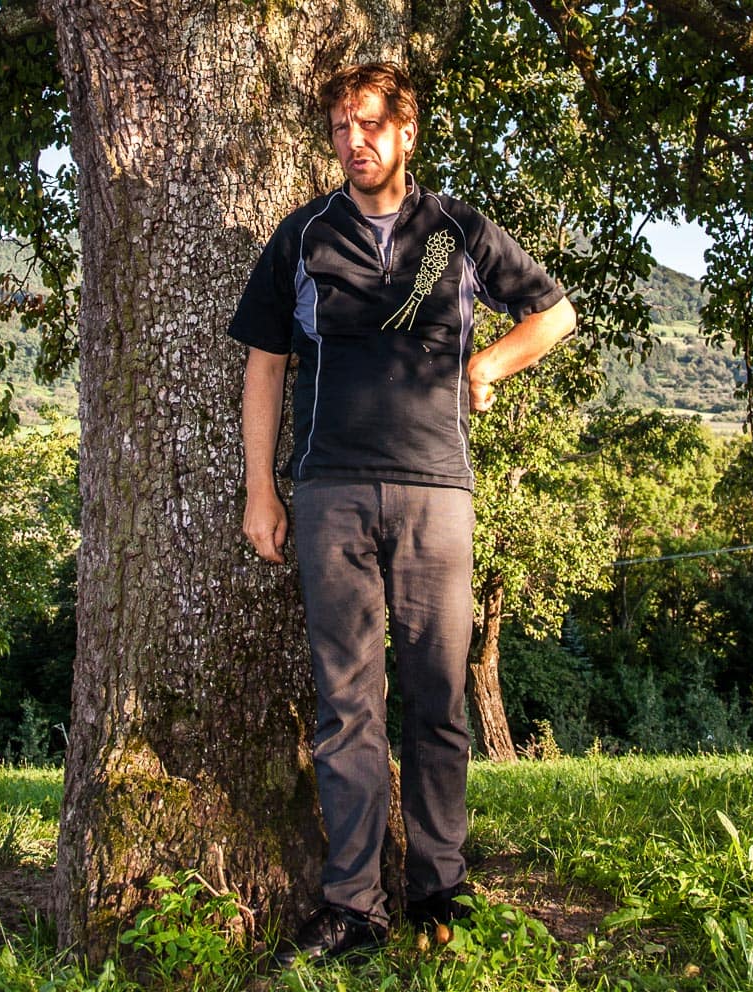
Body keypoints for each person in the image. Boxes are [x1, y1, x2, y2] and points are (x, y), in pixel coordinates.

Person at [228, 62, 576, 966]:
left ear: (407, 131)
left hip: (436, 492)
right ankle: (352, 906)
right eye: (342, 126)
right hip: (330, 489)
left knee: (435, 695)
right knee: (348, 704)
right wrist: (262, 490)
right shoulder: (302, 235)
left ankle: (440, 887)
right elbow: (265, 364)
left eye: (372, 124)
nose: (356, 141)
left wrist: (486, 367)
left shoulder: (456, 228)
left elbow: (555, 314)